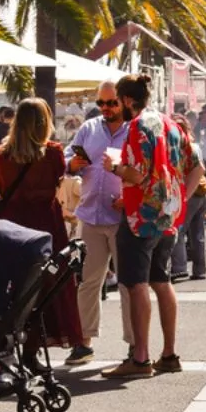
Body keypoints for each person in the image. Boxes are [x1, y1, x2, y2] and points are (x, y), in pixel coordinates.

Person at [104, 74, 196, 377]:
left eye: (118, 101)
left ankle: (140, 358)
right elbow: (197, 166)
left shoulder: (138, 127)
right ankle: (169, 354)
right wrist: (178, 198)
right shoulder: (170, 123)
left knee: (137, 283)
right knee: (161, 280)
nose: (118, 107)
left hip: (140, 217)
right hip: (167, 217)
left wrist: (115, 167)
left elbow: (139, 175)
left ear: (128, 100)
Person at [0, 97, 85, 358]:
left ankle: (13, 348)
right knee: (47, 288)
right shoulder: (53, 153)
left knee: (18, 288)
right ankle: (33, 350)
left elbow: (2, 188)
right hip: (46, 226)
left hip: (12, 227)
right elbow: (55, 183)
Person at [68, 80, 133, 363]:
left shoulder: (135, 130)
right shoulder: (89, 128)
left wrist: (130, 198)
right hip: (91, 214)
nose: (105, 108)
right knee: (89, 281)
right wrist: (72, 164)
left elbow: (145, 170)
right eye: (101, 103)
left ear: (124, 102)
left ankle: (135, 343)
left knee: (129, 284)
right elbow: (70, 156)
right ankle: (84, 341)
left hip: (122, 216)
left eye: (111, 103)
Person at [169, 113, 206, 282]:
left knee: (178, 229)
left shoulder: (181, 147)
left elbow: (196, 169)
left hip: (190, 193)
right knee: (197, 233)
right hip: (202, 193)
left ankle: (179, 267)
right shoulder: (195, 145)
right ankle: (200, 269)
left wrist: (183, 196)